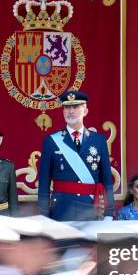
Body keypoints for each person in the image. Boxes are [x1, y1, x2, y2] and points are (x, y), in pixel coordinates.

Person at [38, 90, 114, 221]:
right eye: (67, 107)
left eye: (75, 107)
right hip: (61, 209)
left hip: (90, 210)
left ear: (85, 111)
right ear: (63, 111)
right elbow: (44, 183)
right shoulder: (51, 141)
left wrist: (108, 214)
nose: (71, 111)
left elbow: (107, 181)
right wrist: (43, 215)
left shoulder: (99, 140)